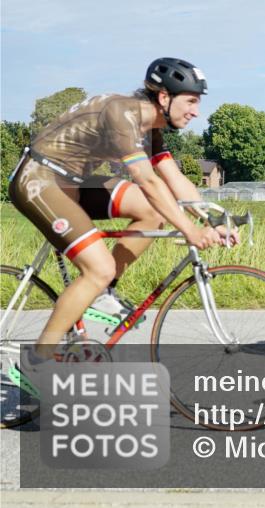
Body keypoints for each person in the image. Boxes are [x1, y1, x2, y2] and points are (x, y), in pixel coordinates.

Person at [8, 58, 234, 365]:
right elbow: (148, 180)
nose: (196, 111)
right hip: (38, 181)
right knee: (99, 267)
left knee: (151, 211)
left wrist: (211, 220)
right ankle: (38, 360)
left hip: (75, 182)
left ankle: (102, 293)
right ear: (164, 98)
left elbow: (173, 178)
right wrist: (190, 230)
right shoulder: (121, 114)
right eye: (191, 101)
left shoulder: (149, 126)